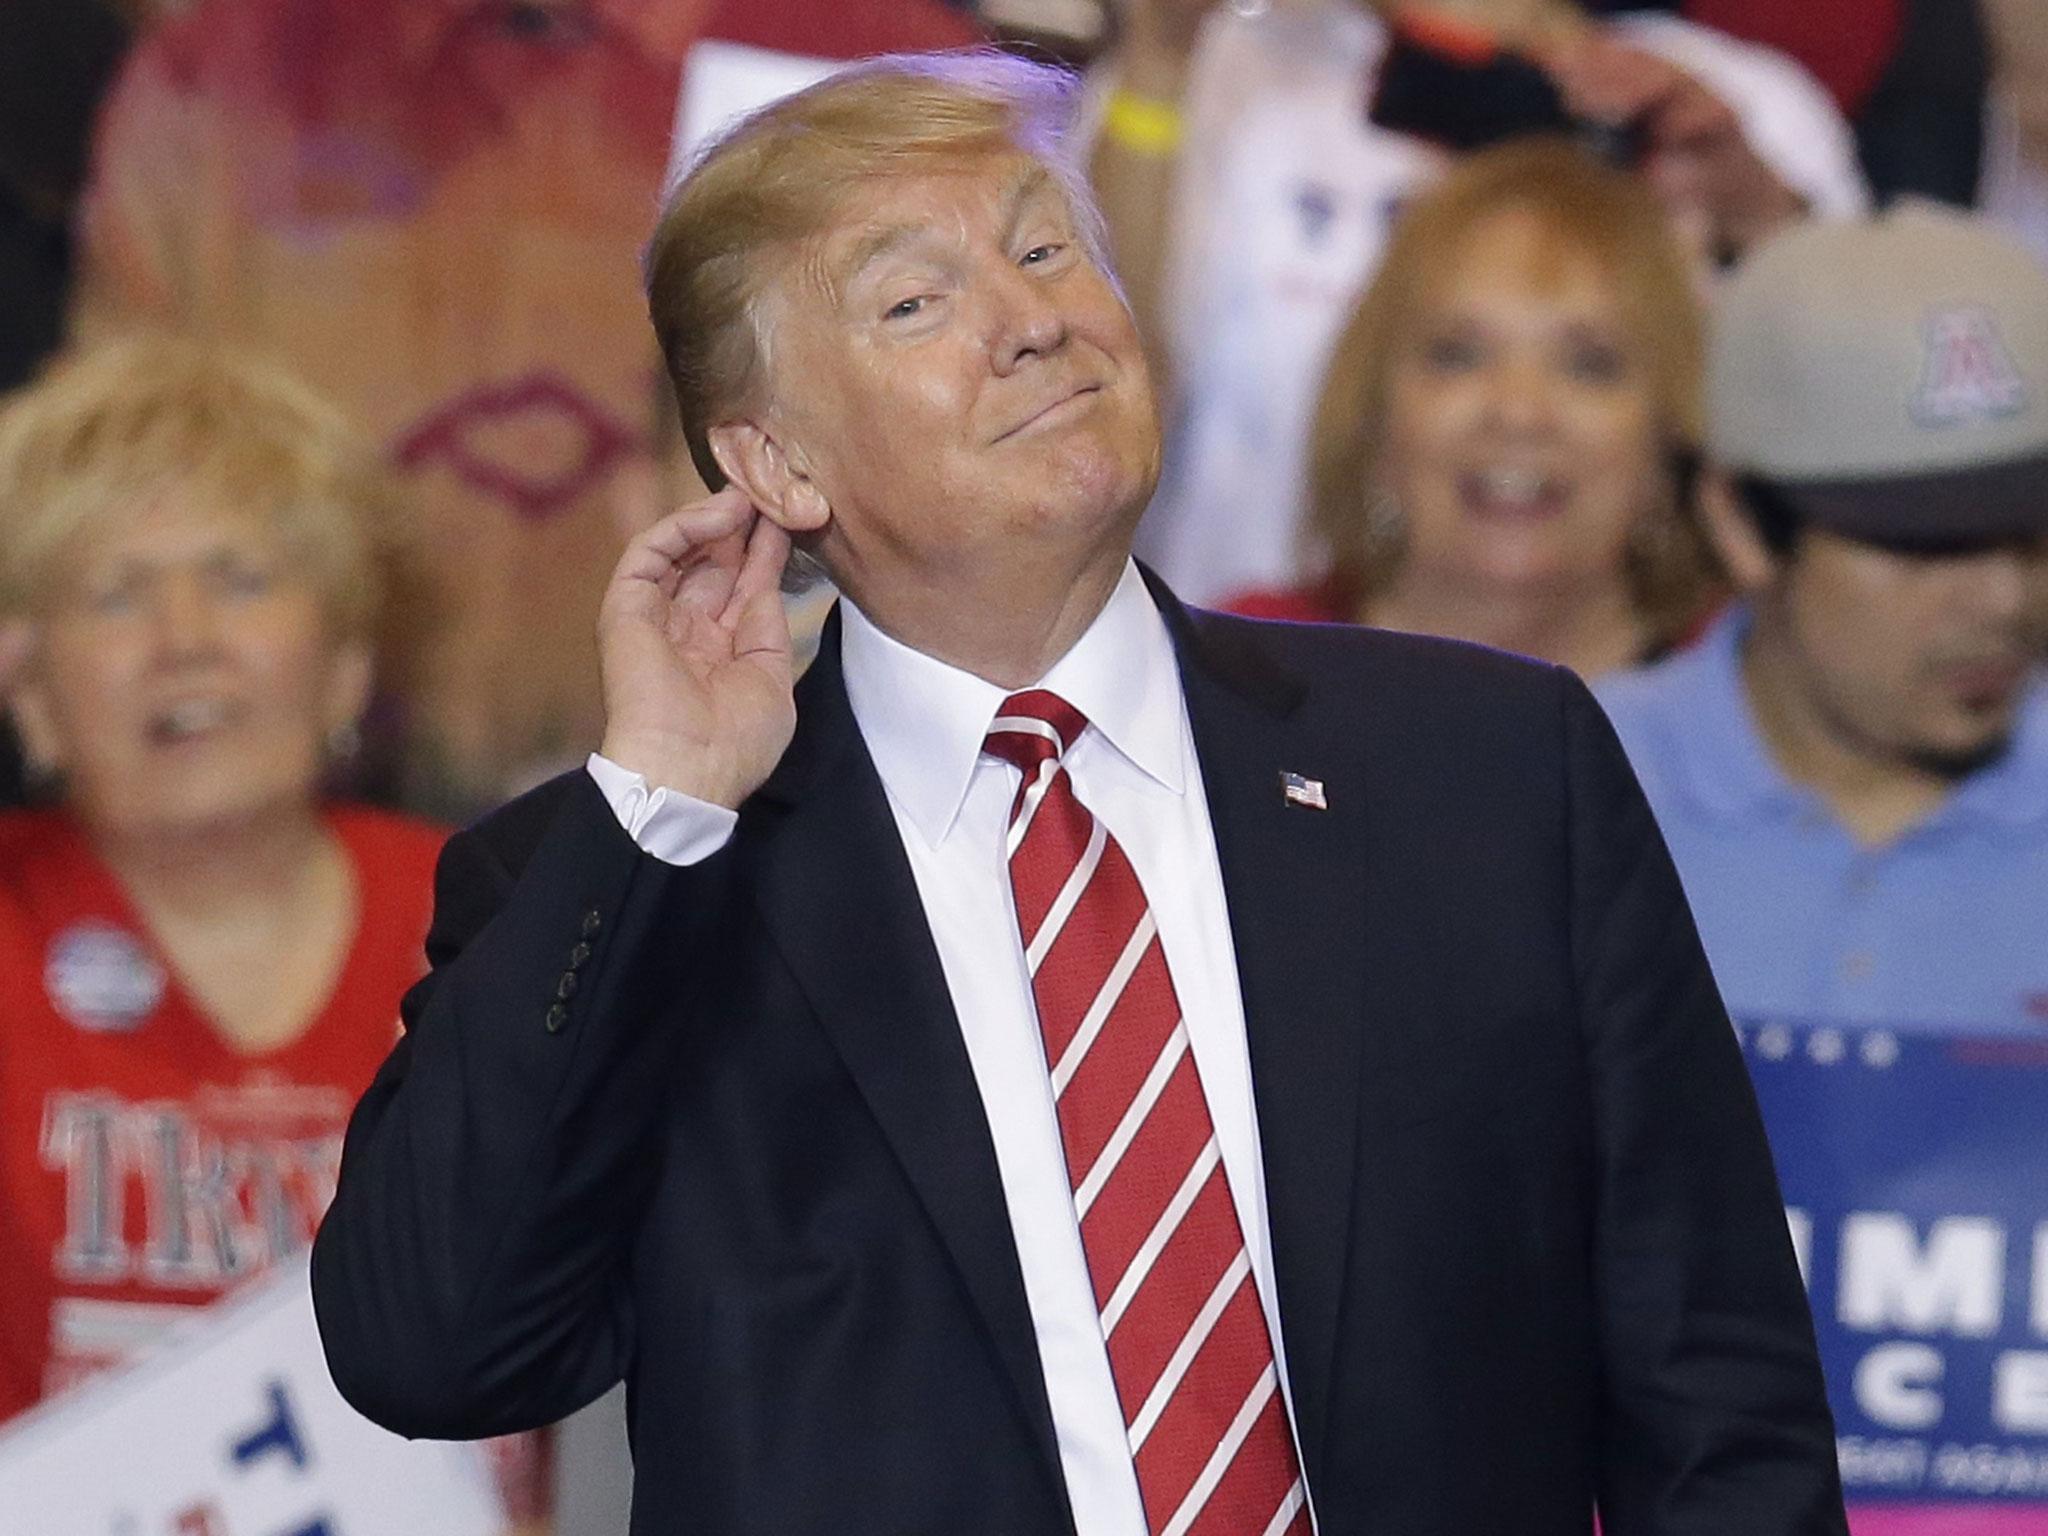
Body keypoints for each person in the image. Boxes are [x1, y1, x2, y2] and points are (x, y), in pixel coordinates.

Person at [312, 52, 1845, 1535]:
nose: (1032, 323)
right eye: (918, 300)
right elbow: (432, 1348)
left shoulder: (1489, 774)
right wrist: (659, 808)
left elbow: (1716, 1401)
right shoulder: (633, 880)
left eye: (1046, 251)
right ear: (772, 462)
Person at [0, 336, 548, 1527]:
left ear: (347, 662)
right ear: (28, 684)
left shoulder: (510, 925)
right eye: (116, 592)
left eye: (240, 579)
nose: (184, 638)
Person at [1089, 0, 1866, 606]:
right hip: (1241, 643)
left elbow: (1858, 453)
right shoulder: (1225, 55)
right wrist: (1157, 65)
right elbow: (1104, 406)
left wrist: (1756, 225)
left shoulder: (1737, 102)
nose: (1517, 409)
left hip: (1631, 652)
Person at [1597, 205, 2048, 1031]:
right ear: (1740, 524)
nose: (2004, 600)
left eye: (2035, 538)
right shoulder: (1576, 801)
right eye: (1926, 548)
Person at [1227, 138, 1718, 679]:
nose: (1519, 412)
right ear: (1374, 420)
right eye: (1459, 356)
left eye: (1588, 366)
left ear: (1670, 435)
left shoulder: (1760, 708)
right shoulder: (1233, 673)